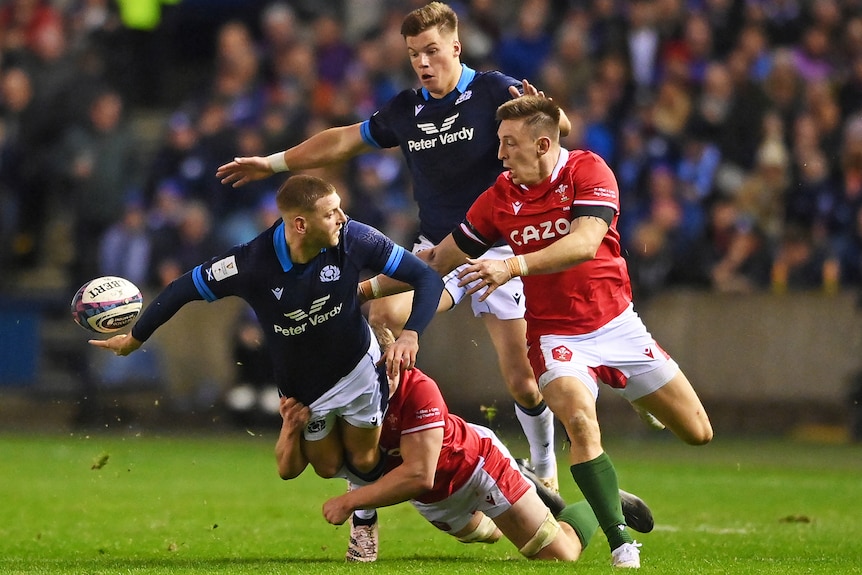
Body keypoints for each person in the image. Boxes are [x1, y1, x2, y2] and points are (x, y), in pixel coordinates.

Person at [217, 0, 564, 498]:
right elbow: (341, 142)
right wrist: (273, 164)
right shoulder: (406, 109)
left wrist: (555, 114)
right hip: (437, 254)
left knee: (522, 382)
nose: (423, 62)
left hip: (497, 252)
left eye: (431, 51)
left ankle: (544, 468)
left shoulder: (492, 89)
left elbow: (554, 132)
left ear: (455, 48)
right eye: (413, 54)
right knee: (377, 311)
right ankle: (383, 444)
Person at [363, 96, 714, 568]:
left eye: (509, 143)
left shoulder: (588, 172)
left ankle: (598, 489)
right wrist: (362, 288)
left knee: (698, 433)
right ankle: (621, 544)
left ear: (543, 143)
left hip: (617, 325)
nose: (501, 154)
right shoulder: (500, 196)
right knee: (582, 423)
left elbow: (585, 242)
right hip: (555, 337)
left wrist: (512, 265)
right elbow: (437, 259)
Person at [90, 174, 444, 486]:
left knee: (364, 459)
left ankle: (372, 507)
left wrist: (411, 333)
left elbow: (424, 277)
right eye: (330, 213)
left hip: (358, 366)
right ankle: (375, 488)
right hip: (303, 385)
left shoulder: (356, 237)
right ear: (301, 225)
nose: (342, 218)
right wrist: (136, 338)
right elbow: (181, 289)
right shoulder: (250, 263)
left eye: (339, 209)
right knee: (326, 466)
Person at [275, 325, 654, 564]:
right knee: (488, 536)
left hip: (475, 469)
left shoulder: (418, 388)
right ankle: (530, 490)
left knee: (559, 553)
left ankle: (600, 501)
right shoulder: (337, 398)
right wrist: (290, 429)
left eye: (385, 373)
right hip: (435, 499)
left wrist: (351, 501)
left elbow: (420, 474)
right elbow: (289, 469)